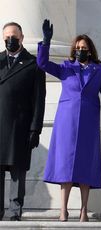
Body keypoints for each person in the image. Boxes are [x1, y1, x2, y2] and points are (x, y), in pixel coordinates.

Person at [37, 19, 101, 222]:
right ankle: (63, 210)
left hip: (89, 122)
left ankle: (83, 210)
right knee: (65, 166)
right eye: (78, 47)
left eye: (84, 48)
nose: (80, 50)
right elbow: (42, 63)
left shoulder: (99, 70)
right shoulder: (65, 67)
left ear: (90, 51)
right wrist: (46, 42)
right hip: (66, 122)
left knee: (85, 166)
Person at [0, 22, 46, 221]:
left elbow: (39, 100)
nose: (11, 40)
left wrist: (35, 129)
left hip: (20, 126)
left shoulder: (33, 64)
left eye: (14, 36)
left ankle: (14, 212)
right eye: (7, 37)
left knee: (18, 170)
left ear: (22, 37)